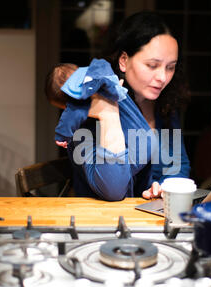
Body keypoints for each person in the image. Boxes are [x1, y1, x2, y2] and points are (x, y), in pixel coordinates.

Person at [46, 11, 191, 201]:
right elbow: (113, 188)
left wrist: (164, 187)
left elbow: (178, 166)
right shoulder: (90, 113)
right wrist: (109, 113)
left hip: (147, 221)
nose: (163, 77)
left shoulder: (164, 108)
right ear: (124, 61)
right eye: (152, 65)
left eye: (170, 67)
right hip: (99, 223)